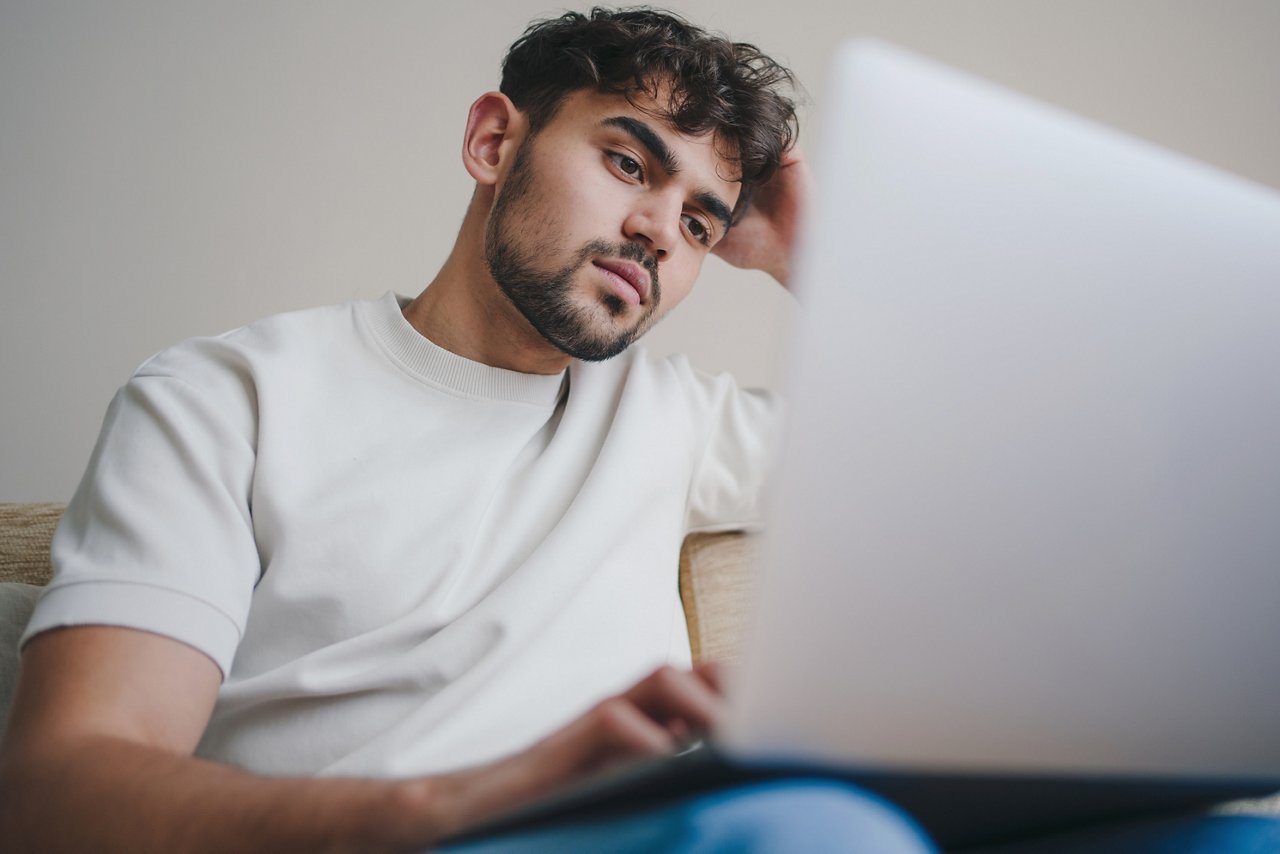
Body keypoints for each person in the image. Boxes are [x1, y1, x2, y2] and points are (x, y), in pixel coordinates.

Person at [0, 8, 1276, 853]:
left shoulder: (673, 420)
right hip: (423, 835)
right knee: (817, 832)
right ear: (492, 140)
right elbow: (60, 789)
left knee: (1240, 833)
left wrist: (822, 259)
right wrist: (451, 798)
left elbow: (1025, 455)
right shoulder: (224, 396)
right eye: (628, 161)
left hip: (671, 826)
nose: (663, 229)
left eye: (703, 219)